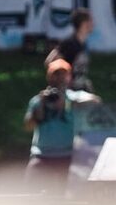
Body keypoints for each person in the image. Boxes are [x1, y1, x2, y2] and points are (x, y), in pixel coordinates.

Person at [24, 58, 96, 193]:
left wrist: (68, 104)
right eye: (56, 74)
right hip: (41, 155)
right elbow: (28, 126)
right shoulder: (38, 100)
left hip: (67, 155)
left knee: (64, 195)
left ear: (69, 77)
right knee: (30, 192)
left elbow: (96, 101)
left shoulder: (74, 97)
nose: (60, 78)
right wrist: (40, 108)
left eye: (64, 74)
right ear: (49, 77)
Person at [46, 8, 95, 92]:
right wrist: (62, 79)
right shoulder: (69, 43)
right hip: (69, 90)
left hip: (80, 88)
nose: (93, 24)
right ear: (84, 23)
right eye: (91, 21)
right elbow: (50, 61)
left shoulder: (83, 44)